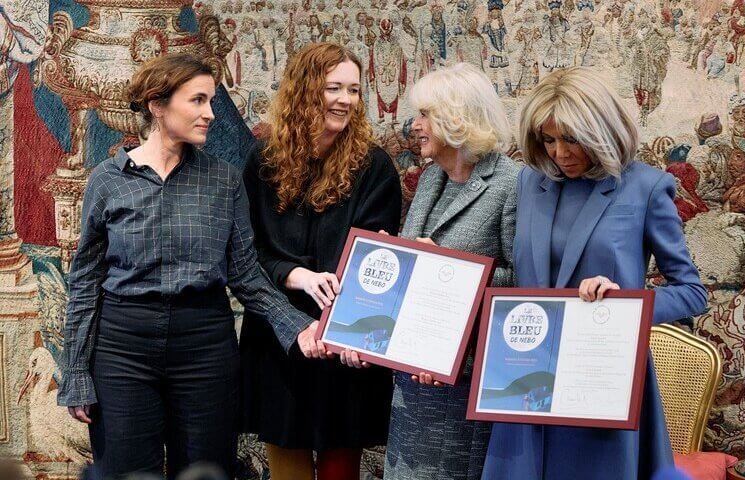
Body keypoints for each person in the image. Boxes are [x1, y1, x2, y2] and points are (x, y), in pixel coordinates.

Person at [57, 53, 322, 480]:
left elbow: (246, 275)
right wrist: (75, 373)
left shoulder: (224, 180)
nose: (210, 114)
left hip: (205, 346)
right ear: (157, 105)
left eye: (211, 101)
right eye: (198, 100)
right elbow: (85, 284)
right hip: (122, 348)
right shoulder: (107, 180)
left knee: (205, 473)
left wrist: (297, 326)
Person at [481, 66, 707, 480]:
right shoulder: (530, 183)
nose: (559, 153)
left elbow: (692, 291)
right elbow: (517, 276)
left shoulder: (646, 187)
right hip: (526, 376)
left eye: (571, 139)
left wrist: (622, 303)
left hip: (603, 378)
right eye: (548, 140)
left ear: (601, 129)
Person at [238, 42, 402, 480]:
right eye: (334, 88)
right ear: (306, 90)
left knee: (338, 465)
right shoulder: (263, 162)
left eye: (353, 90)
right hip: (278, 338)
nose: (345, 100)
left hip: (342, 341)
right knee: (286, 463)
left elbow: (376, 261)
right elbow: (246, 253)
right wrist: (296, 276)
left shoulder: (374, 166)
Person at [381, 62, 520, 480]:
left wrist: (445, 266)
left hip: (464, 382)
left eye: (425, 114)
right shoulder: (430, 179)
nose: (415, 124)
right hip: (412, 378)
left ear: (457, 117)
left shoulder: (511, 184)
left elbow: (523, 283)